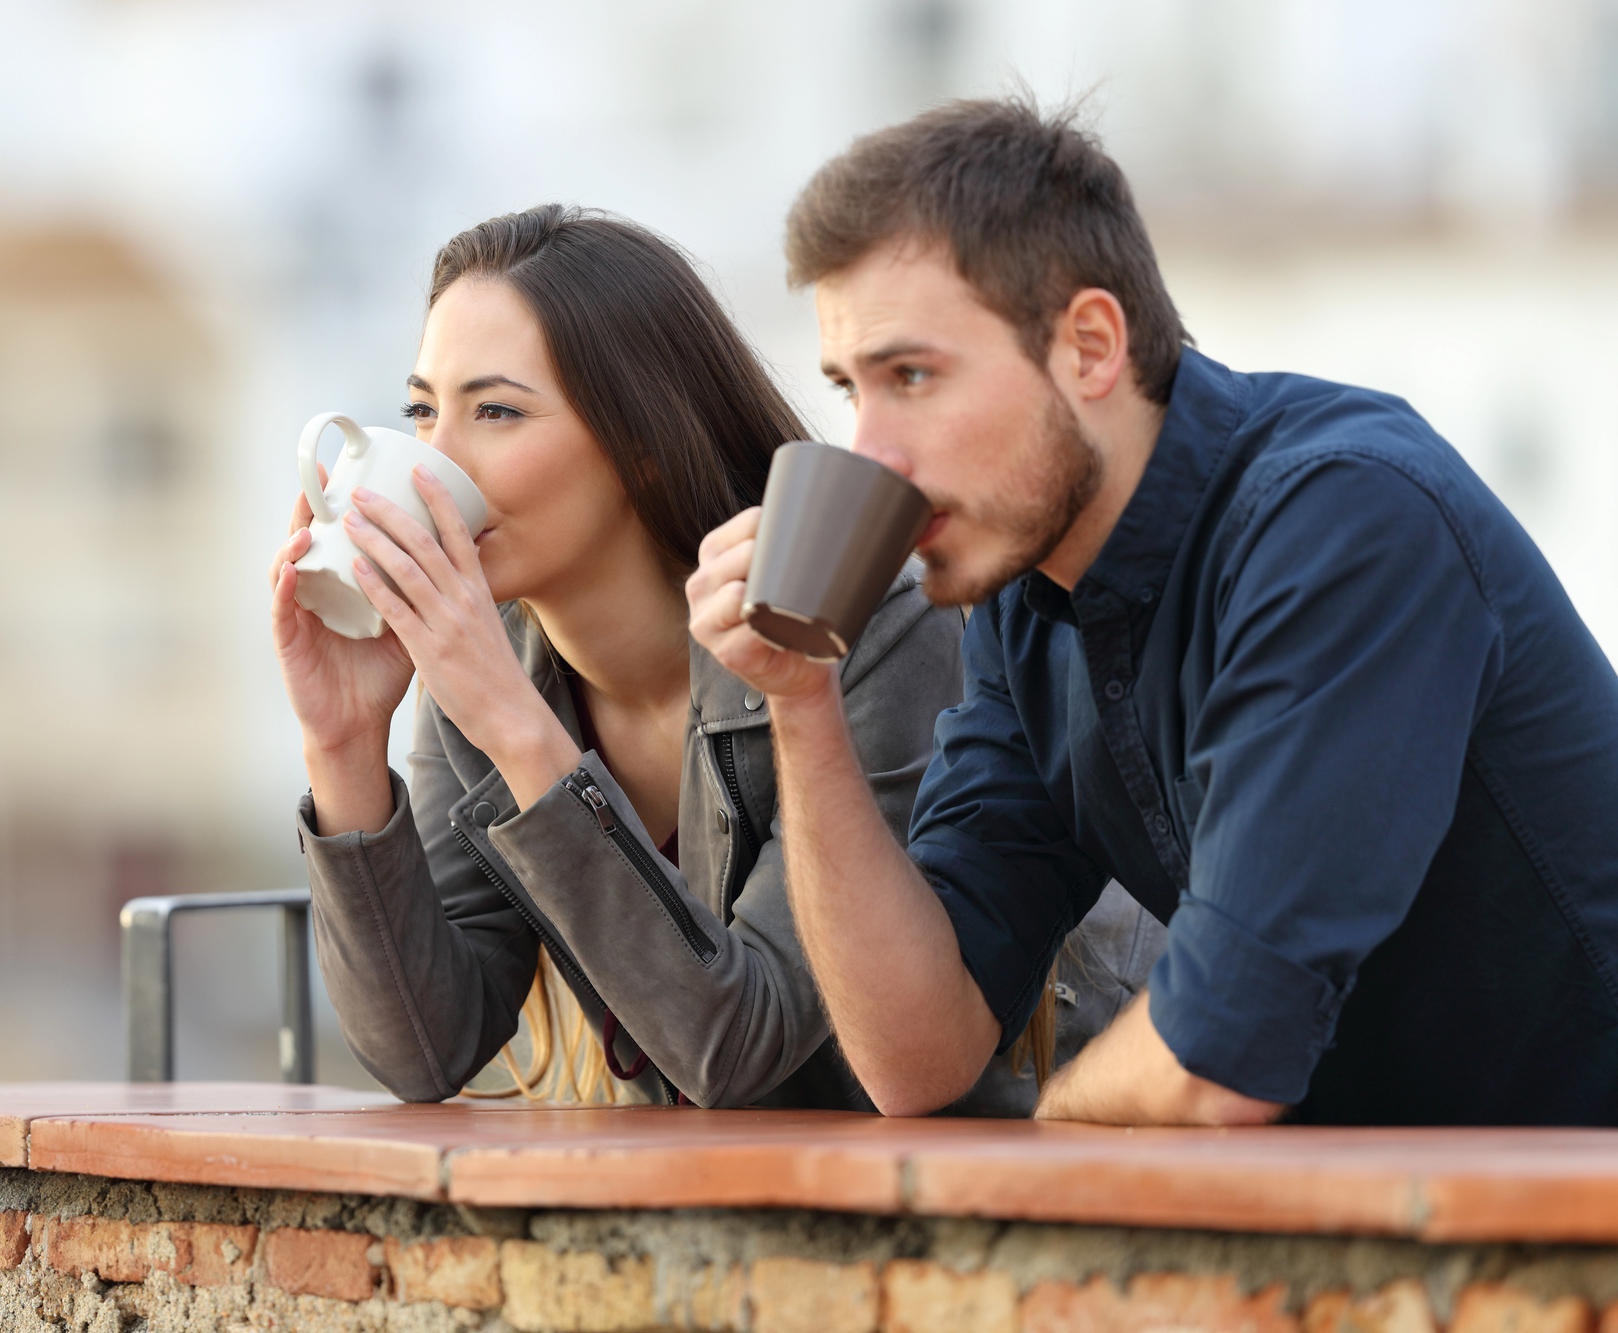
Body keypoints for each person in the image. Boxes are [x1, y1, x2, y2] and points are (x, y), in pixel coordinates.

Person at [687, 99, 1618, 1126]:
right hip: (1396, 1238)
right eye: (848, 390)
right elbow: (918, 1055)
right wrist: (800, 701)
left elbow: (1217, 1052)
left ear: (1089, 346)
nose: (871, 451)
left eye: (911, 376)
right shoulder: (1025, 595)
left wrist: (1053, 1132)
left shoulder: (1344, 521)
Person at [268, 205, 961, 1108]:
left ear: (640, 442)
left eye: (496, 411)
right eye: (423, 411)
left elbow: (739, 1046)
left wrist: (517, 730)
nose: (431, 464)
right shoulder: (487, 669)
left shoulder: (856, 630)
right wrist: (345, 744)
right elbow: (425, 1048)